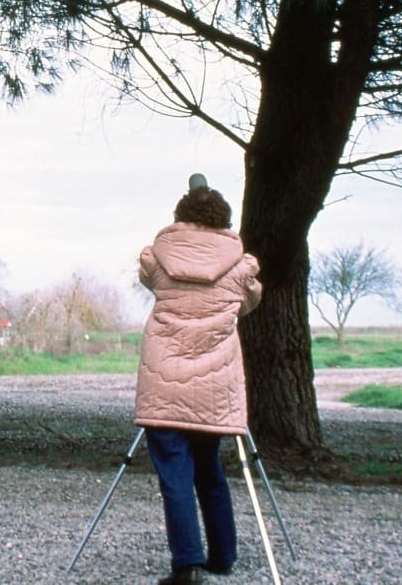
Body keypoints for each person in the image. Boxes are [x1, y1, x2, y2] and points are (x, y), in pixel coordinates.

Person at [135, 180, 263, 585]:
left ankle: (187, 564)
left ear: (180, 217)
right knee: (209, 469)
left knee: (175, 473)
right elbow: (250, 303)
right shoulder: (241, 269)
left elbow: (148, 277)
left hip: (164, 384)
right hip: (213, 386)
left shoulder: (157, 260)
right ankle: (223, 556)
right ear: (224, 221)